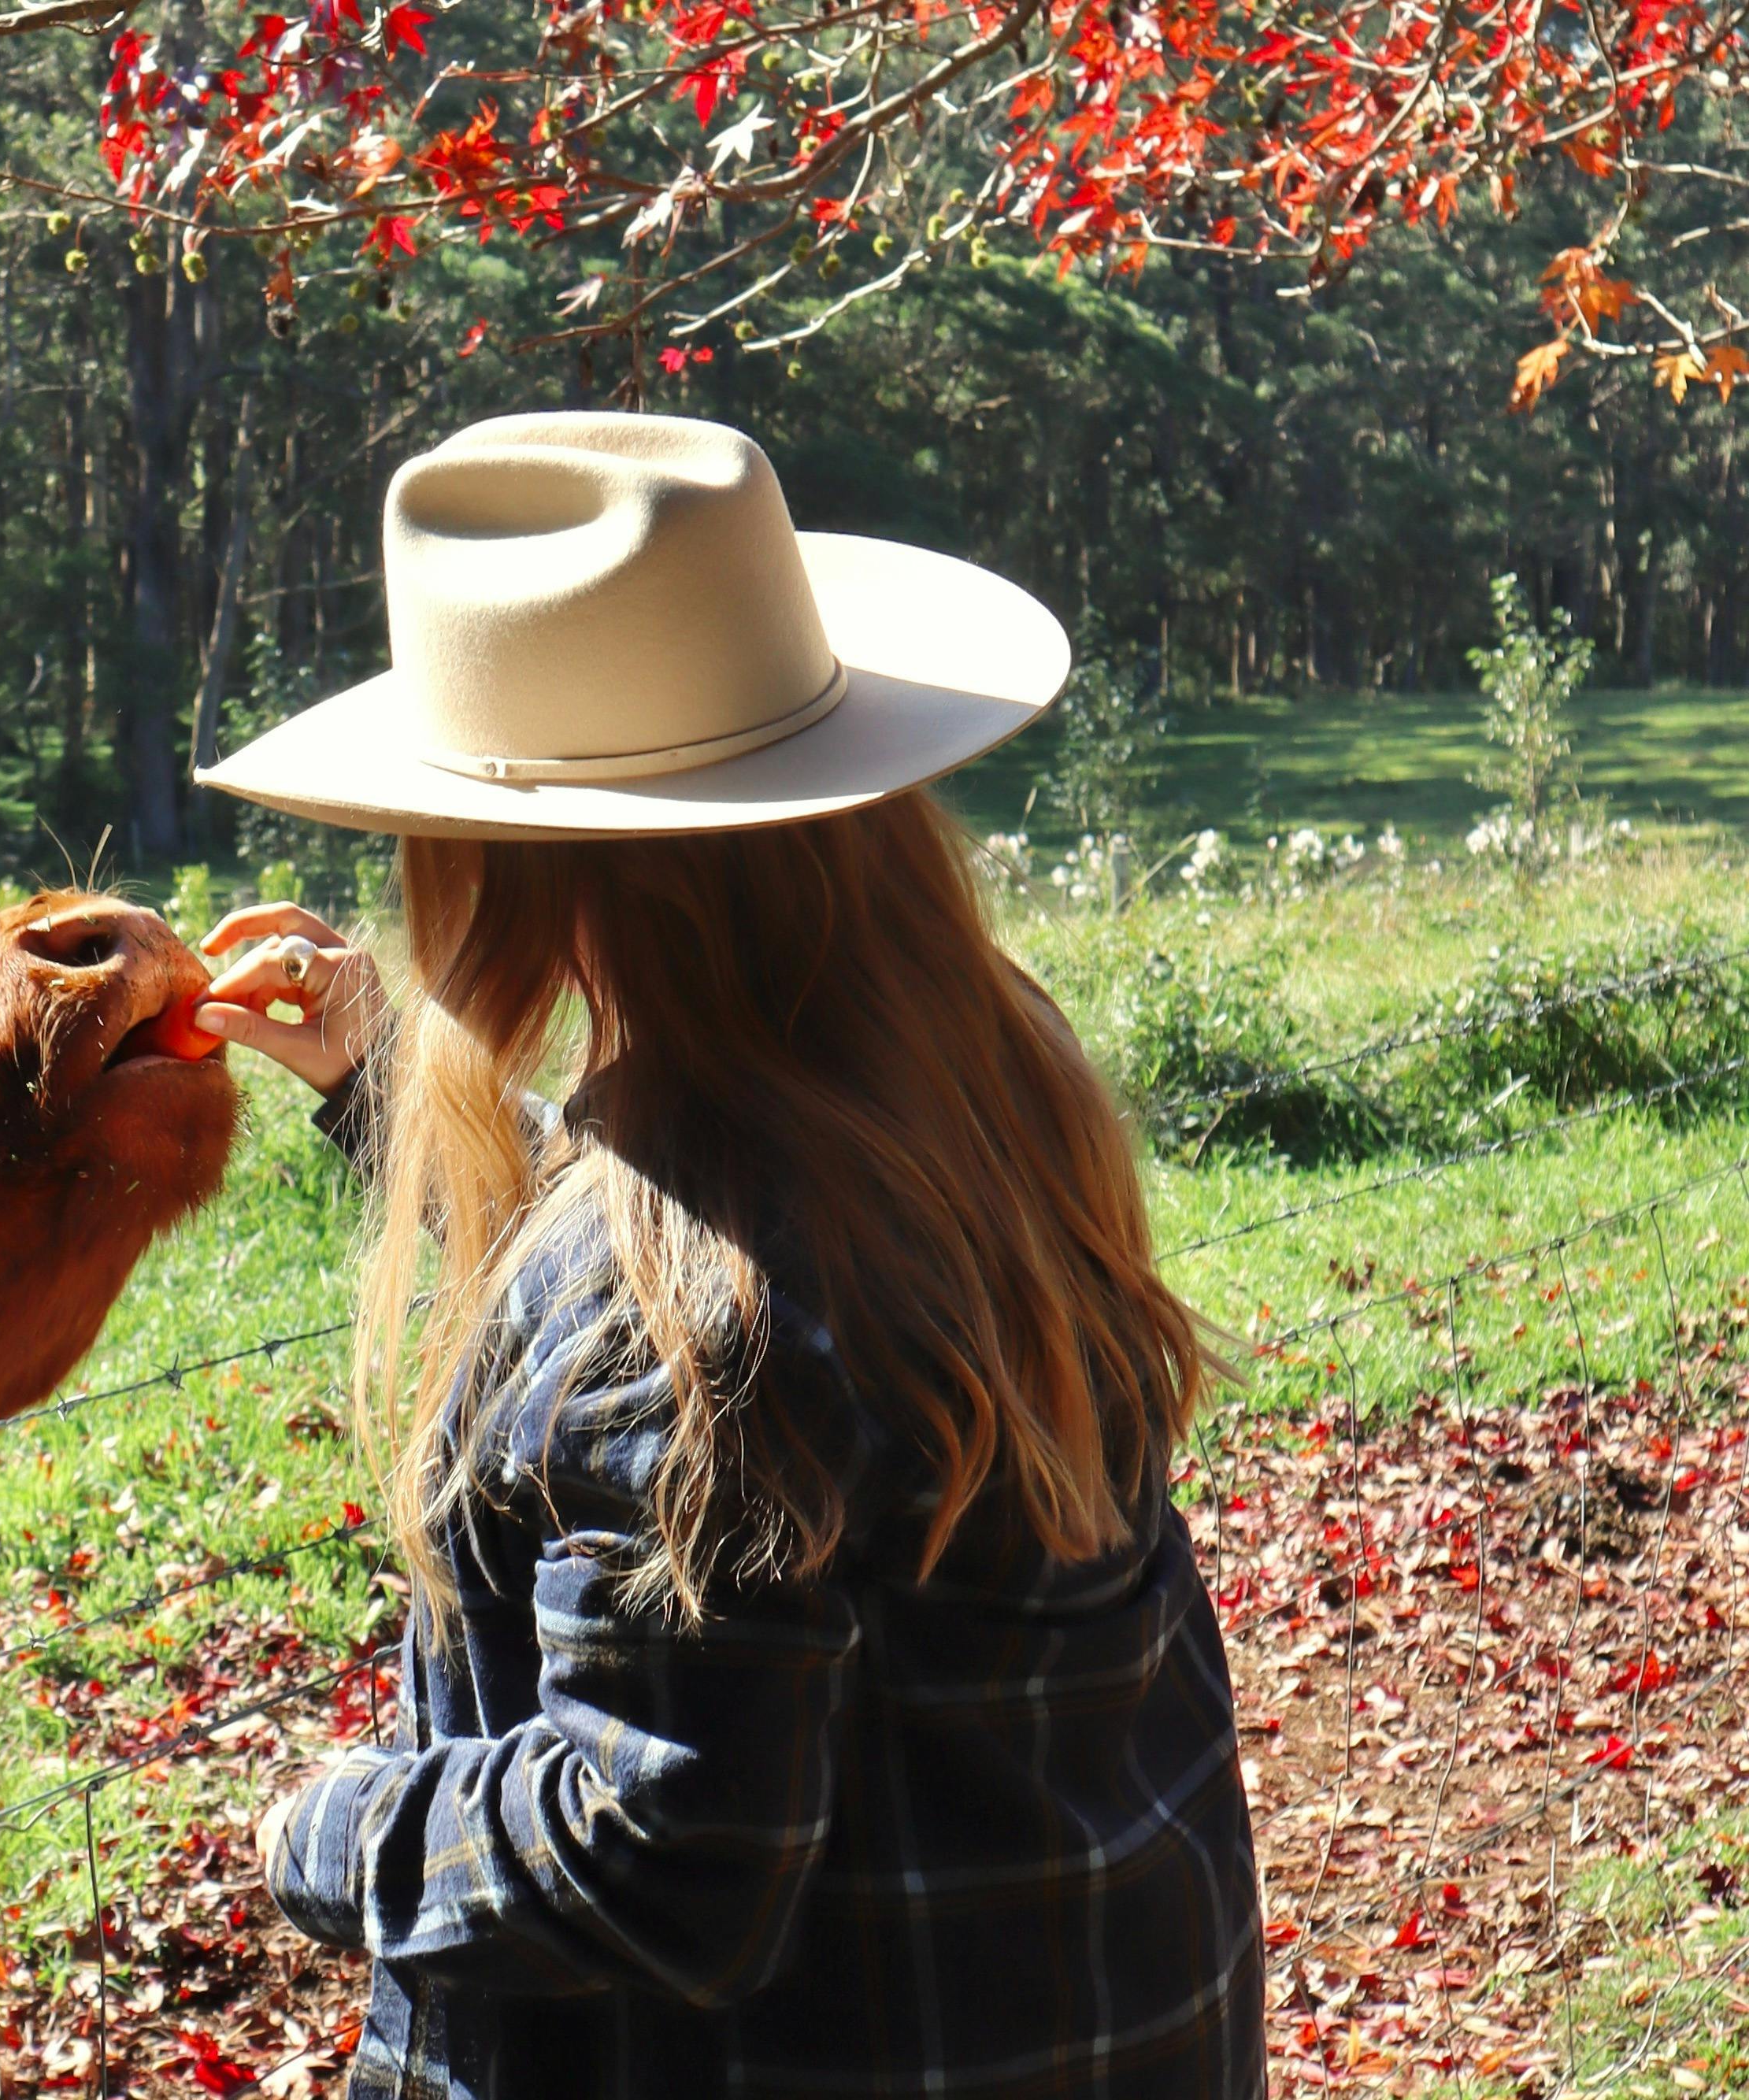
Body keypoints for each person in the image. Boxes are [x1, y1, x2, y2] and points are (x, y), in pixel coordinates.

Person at [184, 413, 1264, 2098]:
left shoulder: (690, 1308)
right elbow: (700, 1273)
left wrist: (321, 1824)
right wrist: (379, 1074)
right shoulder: (975, 1105)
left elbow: (655, 1846)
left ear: (506, 865)